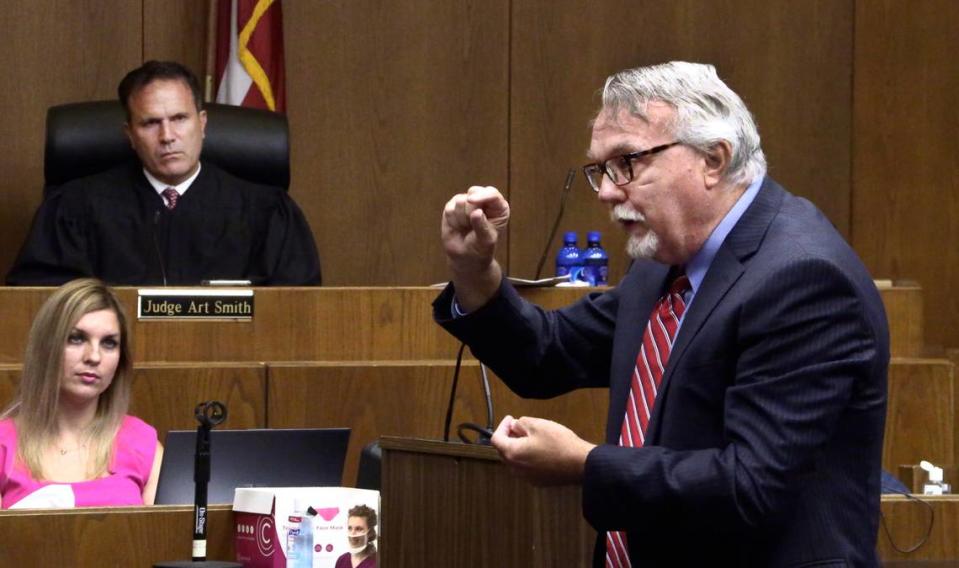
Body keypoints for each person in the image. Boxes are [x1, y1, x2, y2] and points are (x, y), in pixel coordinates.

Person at [434, 62, 888, 566]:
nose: (607, 190)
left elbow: (751, 485)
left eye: (627, 162)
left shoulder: (803, 279)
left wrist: (587, 464)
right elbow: (548, 354)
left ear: (714, 159)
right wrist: (473, 271)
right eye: (601, 169)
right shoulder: (665, 261)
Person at [7, 60, 321, 286]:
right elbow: (39, 299)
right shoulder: (76, 207)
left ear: (203, 123)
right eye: (150, 123)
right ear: (130, 134)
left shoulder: (266, 212)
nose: (167, 135)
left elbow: (296, 310)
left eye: (179, 118)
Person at [0, 278, 162, 508]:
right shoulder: (3, 444)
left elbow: (167, 539)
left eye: (108, 343)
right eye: (76, 338)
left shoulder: (143, 443)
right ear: (47, 347)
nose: (94, 356)